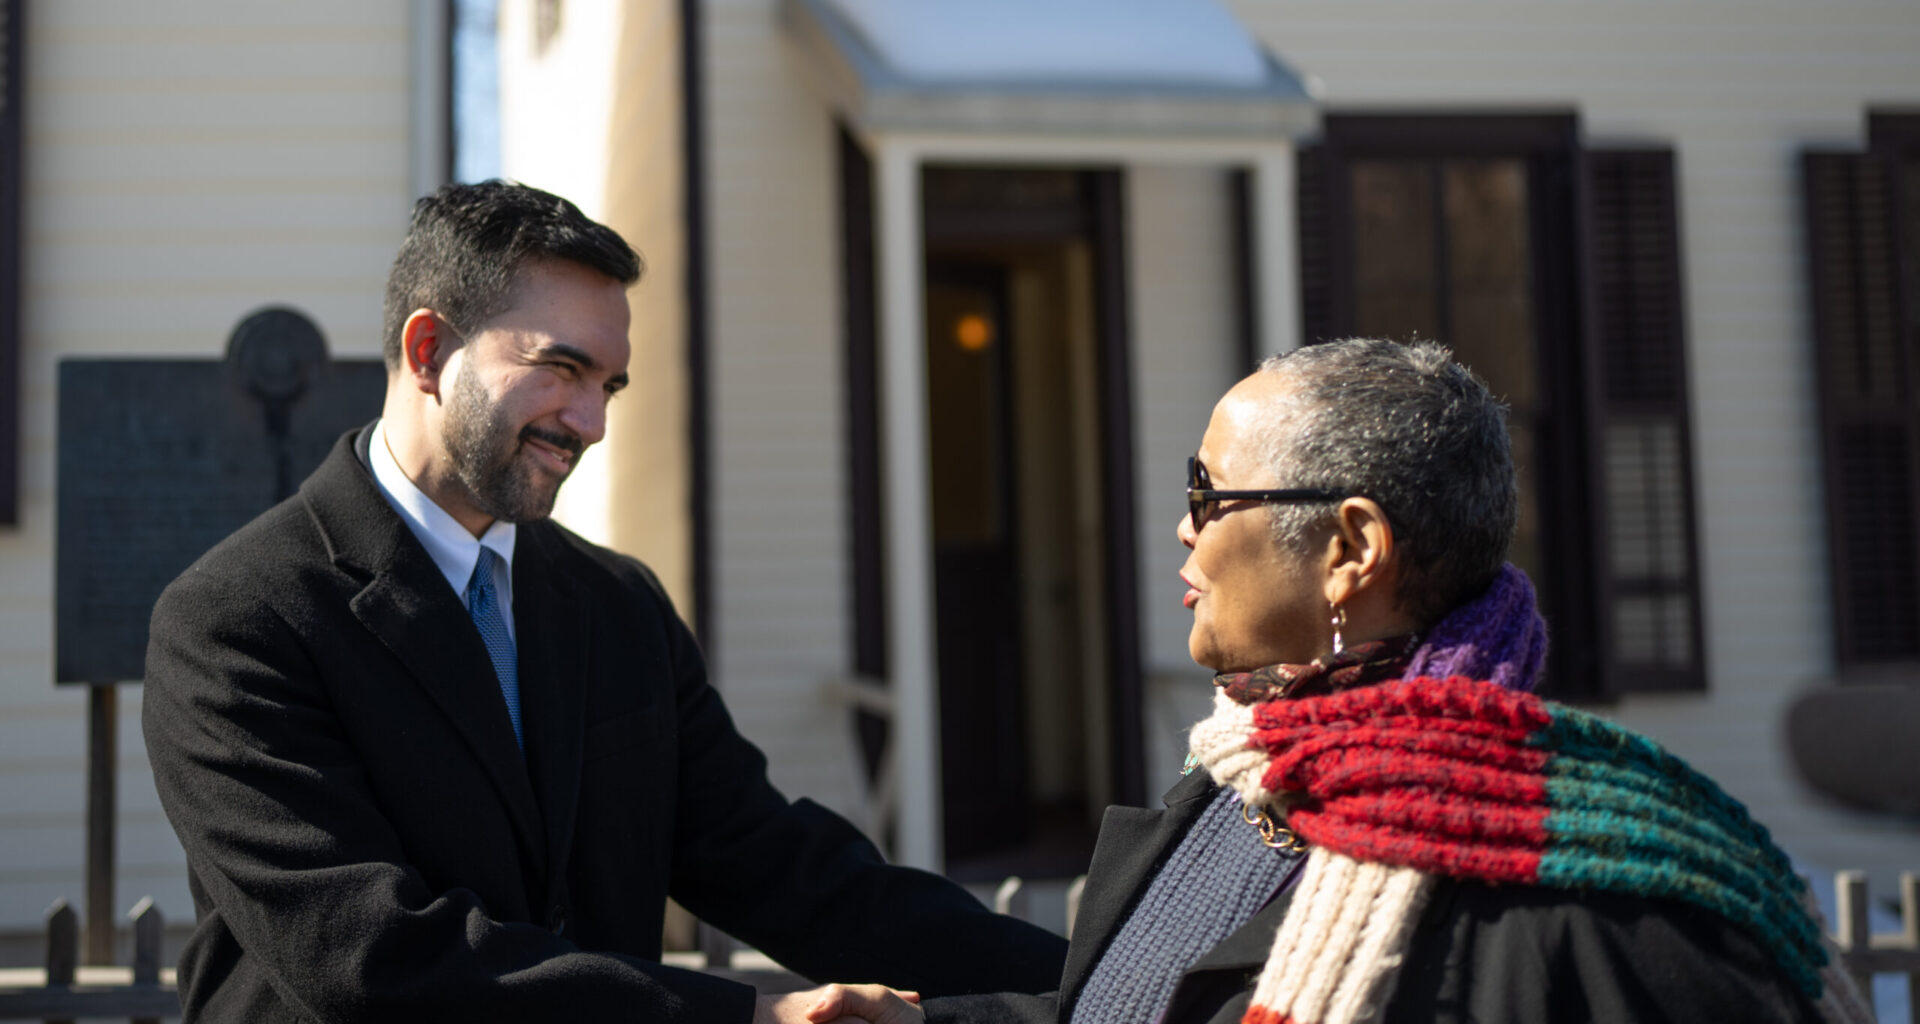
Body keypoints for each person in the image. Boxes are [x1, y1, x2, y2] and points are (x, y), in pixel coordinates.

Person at [142, 181, 1064, 1023]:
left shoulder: (615, 603)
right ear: (430, 350)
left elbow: (782, 867)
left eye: (608, 384)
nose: (591, 423)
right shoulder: (236, 620)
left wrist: (1107, 988)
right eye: (561, 368)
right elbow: (372, 955)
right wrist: (745, 1018)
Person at [920, 339, 1872, 1024]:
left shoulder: (1565, 900)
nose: (1185, 528)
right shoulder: (1248, 769)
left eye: (1207, 494)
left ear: (1350, 550)